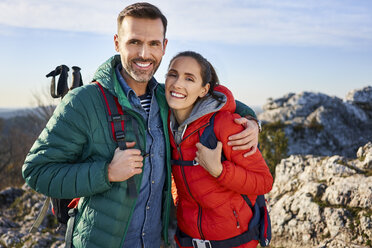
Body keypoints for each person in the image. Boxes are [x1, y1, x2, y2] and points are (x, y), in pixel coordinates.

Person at [22, 3, 260, 248]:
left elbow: (216, 101)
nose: (145, 54)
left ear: (164, 46)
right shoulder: (83, 101)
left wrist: (252, 121)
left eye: (154, 44)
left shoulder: (165, 98)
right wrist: (106, 173)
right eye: (134, 42)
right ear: (117, 43)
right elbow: (36, 171)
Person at [165, 51, 273, 248]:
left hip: (235, 242)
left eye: (189, 78)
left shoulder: (224, 125)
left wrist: (220, 171)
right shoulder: (165, 125)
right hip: (186, 241)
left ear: (203, 90)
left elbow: (264, 182)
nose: (178, 83)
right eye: (173, 74)